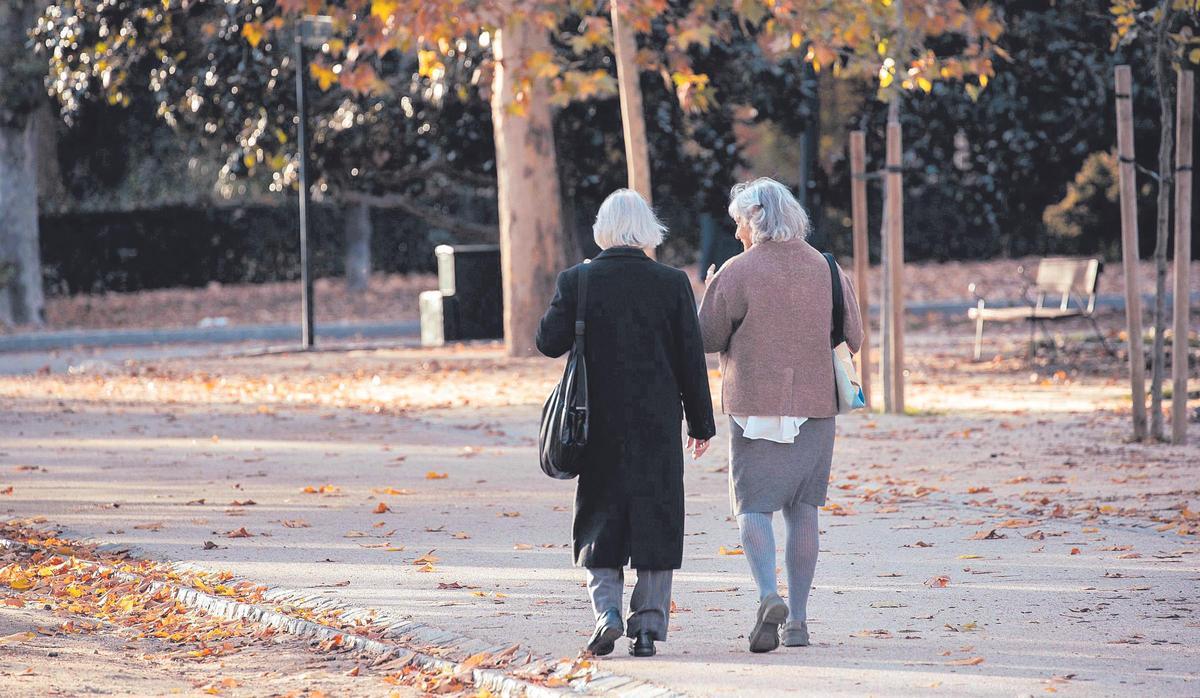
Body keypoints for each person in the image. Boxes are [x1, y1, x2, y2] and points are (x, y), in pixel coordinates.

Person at [536, 189, 716, 658]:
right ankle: (648, 629)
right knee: (657, 516)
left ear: (602, 229)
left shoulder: (578, 281)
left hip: (595, 421)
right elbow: (690, 360)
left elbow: (546, 342)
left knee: (599, 514)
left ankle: (607, 614)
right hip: (656, 420)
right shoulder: (672, 283)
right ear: (646, 229)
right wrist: (701, 423)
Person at [698, 177, 863, 653]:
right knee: (804, 510)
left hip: (753, 404)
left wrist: (711, 289)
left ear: (754, 221)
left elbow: (706, 338)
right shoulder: (827, 268)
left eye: (737, 224)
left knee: (752, 506)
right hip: (815, 406)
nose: (735, 235)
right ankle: (800, 622)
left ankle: (769, 595)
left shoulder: (736, 270)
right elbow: (853, 337)